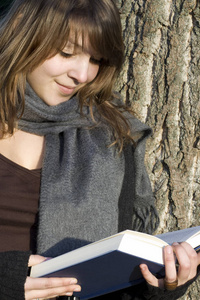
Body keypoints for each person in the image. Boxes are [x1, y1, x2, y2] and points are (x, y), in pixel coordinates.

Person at [0, 0, 199, 299]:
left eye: (96, 60)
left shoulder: (111, 136)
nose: (82, 74)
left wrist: (160, 287)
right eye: (67, 53)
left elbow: (114, 274)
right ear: (24, 36)